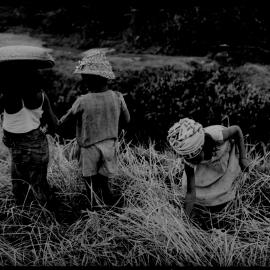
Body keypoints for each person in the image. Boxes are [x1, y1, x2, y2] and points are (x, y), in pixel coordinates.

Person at [59, 49, 130, 210]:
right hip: (109, 145)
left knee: (90, 180)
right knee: (104, 179)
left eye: (84, 78)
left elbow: (66, 121)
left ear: (89, 80)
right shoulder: (117, 96)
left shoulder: (83, 101)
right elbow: (127, 120)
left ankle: (94, 207)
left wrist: (57, 126)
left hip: (89, 147)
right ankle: (109, 202)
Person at [0, 45, 59, 208]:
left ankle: (26, 220)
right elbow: (54, 124)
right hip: (37, 146)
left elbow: (8, 121)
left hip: (17, 147)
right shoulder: (41, 95)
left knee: (19, 187)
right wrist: (44, 128)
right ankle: (50, 219)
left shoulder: (6, 96)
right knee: (40, 185)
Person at [167, 118, 249, 229]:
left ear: (202, 147)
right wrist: (185, 221)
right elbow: (191, 192)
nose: (193, 162)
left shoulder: (218, 136)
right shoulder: (190, 160)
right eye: (191, 160)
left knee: (228, 181)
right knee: (194, 187)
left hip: (221, 154)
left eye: (196, 158)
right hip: (205, 163)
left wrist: (243, 158)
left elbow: (237, 130)